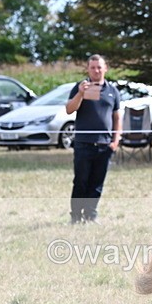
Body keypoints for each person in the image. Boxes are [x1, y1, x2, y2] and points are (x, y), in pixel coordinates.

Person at [66, 54, 123, 224]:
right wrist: (81, 94)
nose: (96, 70)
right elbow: (69, 109)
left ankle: (90, 216)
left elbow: (117, 118)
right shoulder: (80, 87)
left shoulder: (113, 91)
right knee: (80, 181)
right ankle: (75, 216)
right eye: (93, 67)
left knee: (97, 183)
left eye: (99, 67)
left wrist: (115, 141)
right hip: (83, 144)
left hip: (104, 146)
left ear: (105, 69)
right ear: (88, 69)